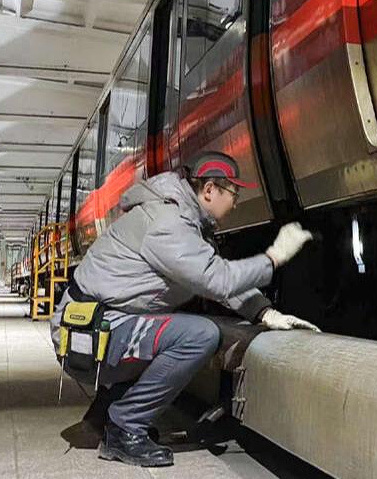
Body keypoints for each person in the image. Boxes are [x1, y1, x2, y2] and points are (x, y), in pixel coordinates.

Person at [50, 151, 319, 467]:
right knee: (199, 335)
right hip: (87, 335)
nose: (235, 203)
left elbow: (208, 275)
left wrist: (264, 312)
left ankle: (108, 411)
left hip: (97, 326)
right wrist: (273, 259)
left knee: (173, 328)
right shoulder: (168, 223)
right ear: (209, 190)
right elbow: (217, 279)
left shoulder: (181, 219)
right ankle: (125, 427)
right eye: (234, 194)